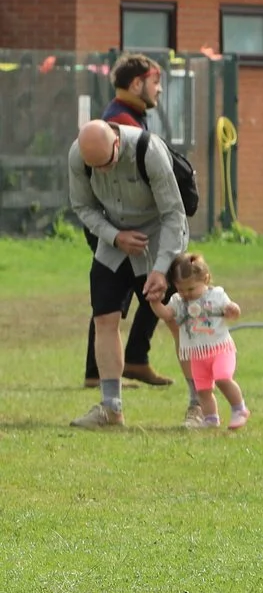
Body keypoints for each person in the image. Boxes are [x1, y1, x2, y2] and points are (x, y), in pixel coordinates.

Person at [66, 113, 189, 429]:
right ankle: (111, 409)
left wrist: (161, 269)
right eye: (95, 167)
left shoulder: (149, 150)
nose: (102, 171)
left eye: (107, 163)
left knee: (177, 319)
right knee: (104, 319)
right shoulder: (79, 156)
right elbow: (83, 207)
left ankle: (200, 404)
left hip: (158, 238)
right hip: (114, 241)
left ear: (117, 143)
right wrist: (114, 236)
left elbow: (174, 214)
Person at [81, 55, 175, 389]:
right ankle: (116, 366)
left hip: (126, 226)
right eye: (155, 82)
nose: (159, 89)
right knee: (128, 293)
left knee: (120, 295)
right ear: (137, 84)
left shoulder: (130, 117)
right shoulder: (121, 123)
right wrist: (119, 233)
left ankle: (123, 362)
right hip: (120, 226)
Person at [151, 251, 246, 430]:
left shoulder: (216, 295)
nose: (186, 294)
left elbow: (232, 310)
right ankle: (211, 419)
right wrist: (155, 303)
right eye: (181, 289)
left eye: (191, 289)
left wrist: (233, 310)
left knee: (222, 378)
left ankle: (239, 409)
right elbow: (167, 314)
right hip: (197, 353)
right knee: (202, 390)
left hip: (220, 349)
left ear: (206, 279)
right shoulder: (178, 301)